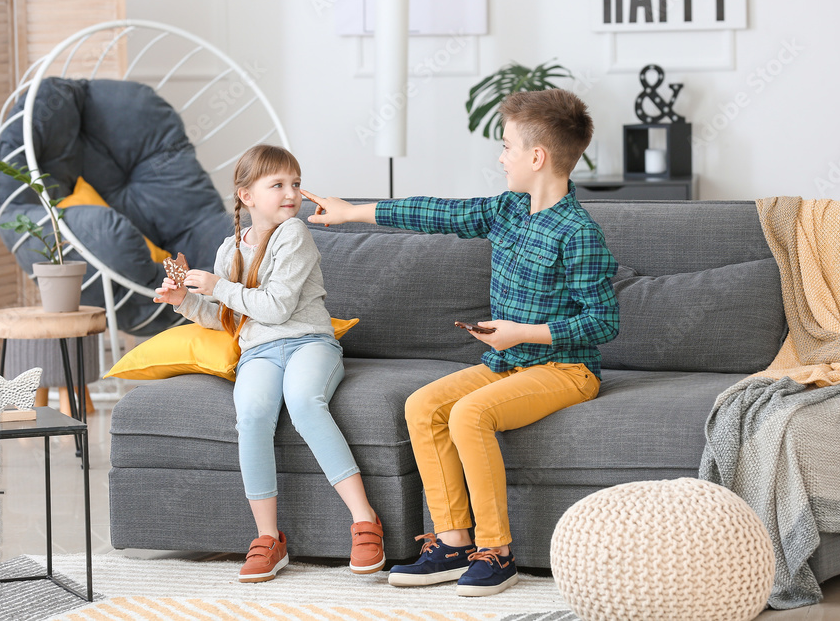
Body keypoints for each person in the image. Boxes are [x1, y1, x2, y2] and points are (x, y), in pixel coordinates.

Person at [303, 89, 619, 597]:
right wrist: (352, 212)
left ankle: (497, 552)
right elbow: (436, 213)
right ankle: (452, 543)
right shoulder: (508, 210)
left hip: (566, 370)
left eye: (508, 147)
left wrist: (522, 333)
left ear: (537, 157)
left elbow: (603, 322)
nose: (501, 157)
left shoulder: (579, 233)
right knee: (423, 405)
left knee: (469, 414)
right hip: (507, 363)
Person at [154, 144, 384, 583]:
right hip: (258, 352)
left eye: (295, 183)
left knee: (304, 401)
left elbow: (277, 308)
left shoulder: (293, 234)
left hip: (308, 342)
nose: (291, 193)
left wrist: (219, 286)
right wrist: (184, 300)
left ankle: (364, 519)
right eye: (277, 184)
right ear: (247, 196)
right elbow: (226, 318)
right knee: (252, 416)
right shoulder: (229, 250)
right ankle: (268, 538)